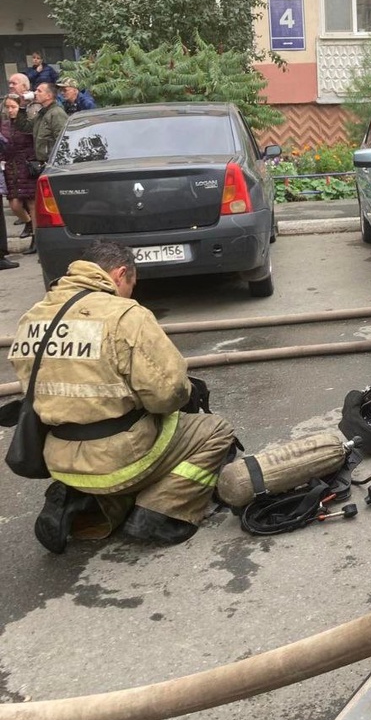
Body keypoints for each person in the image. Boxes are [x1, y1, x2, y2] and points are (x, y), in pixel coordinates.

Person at [8, 240, 237, 553]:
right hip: (118, 458)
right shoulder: (126, 315)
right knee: (215, 431)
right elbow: (167, 395)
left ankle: (84, 504)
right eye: (131, 283)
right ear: (119, 274)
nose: (130, 292)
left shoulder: (33, 316)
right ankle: (160, 511)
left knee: (121, 457)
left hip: (58, 457)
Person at [0, 94, 36, 253]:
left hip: (26, 165)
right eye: (7, 107)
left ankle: (35, 238)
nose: (10, 110)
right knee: (14, 204)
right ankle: (28, 222)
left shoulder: (27, 122)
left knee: (31, 203)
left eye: (13, 107)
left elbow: (34, 142)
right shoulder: (4, 125)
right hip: (10, 167)